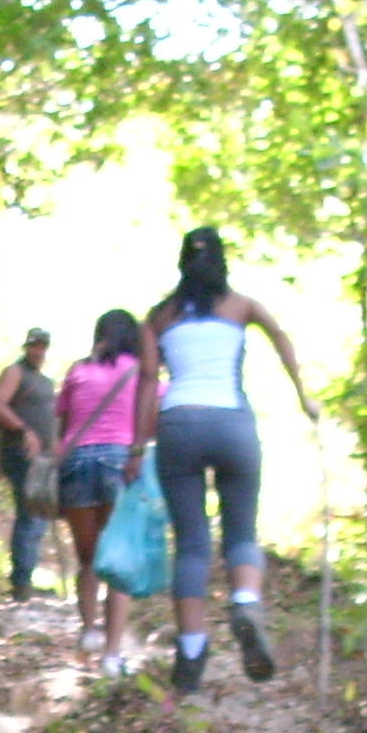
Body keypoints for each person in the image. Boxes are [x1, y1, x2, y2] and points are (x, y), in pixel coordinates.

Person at [132, 227, 316, 695]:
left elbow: (149, 381)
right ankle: (245, 603)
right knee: (241, 532)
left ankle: (192, 652)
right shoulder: (242, 306)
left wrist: (136, 446)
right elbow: (281, 337)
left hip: (179, 426)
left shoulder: (158, 318)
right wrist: (303, 398)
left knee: (192, 544)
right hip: (233, 423)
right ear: (222, 262)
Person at [54, 308, 150, 673]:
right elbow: (157, 411)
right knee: (118, 561)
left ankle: (88, 632)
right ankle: (111, 655)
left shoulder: (77, 371)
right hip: (119, 462)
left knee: (89, 559)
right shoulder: (139, 373)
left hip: (77, 462)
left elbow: (61, 421)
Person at [0, 326, 57, 600]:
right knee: (30, 515)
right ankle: (21, 582)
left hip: (43, 458)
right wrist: (23, 430)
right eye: (33, 346)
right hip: (20, 453)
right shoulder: (15, 372)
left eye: (41, 347)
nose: (37, 351)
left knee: (38, 515)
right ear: (26, 347)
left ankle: (25, 577)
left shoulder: (45, 381)